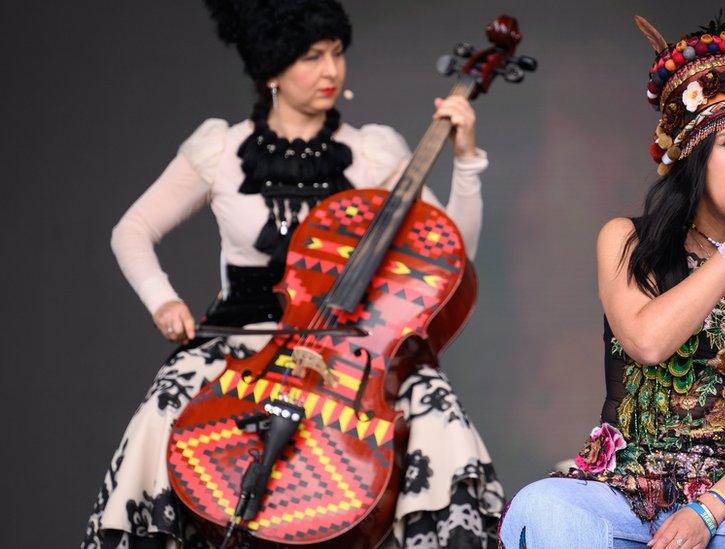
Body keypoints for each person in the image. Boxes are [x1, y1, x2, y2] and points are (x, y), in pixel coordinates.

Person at [82, 1, 503, 547]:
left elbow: (450, 258)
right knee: (167, 397)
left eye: (336, 54)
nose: (331, 70)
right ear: (272, 72)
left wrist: (465, 159)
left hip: (352, 352)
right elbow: (131, 229)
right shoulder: (221, 148)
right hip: (243, 339)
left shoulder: (374, 152)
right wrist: (163, 300)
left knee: (437, 408)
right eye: (311, 57)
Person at [500, 13, 725, 549]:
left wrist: (706, 513)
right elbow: (648, 341)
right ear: (694, 157)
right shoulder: (625, 241)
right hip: (619, 492)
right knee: (542, 506)